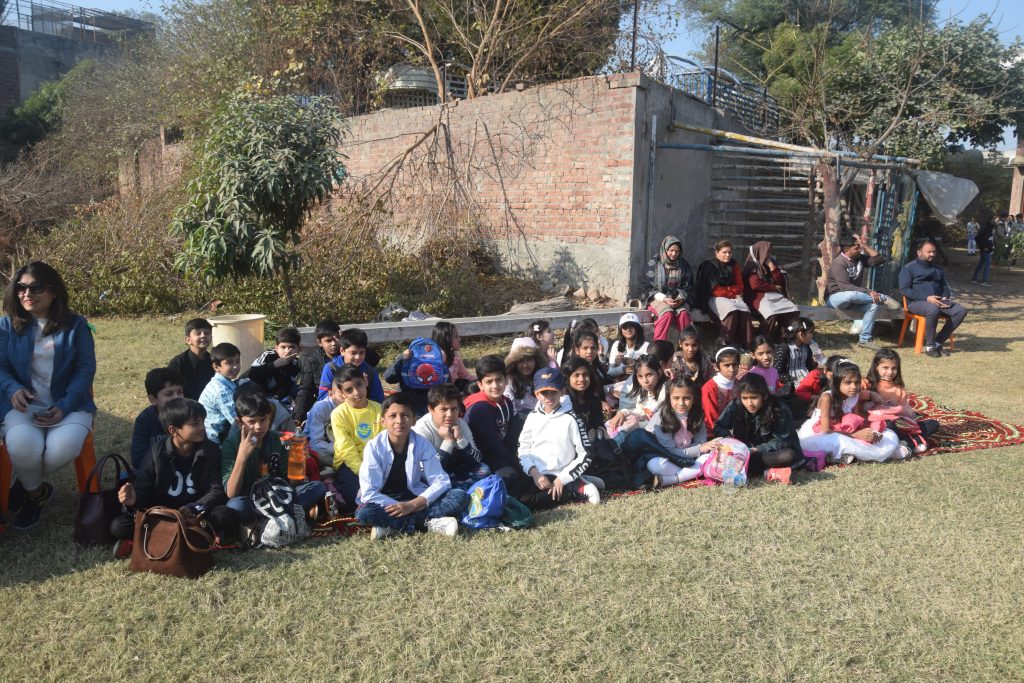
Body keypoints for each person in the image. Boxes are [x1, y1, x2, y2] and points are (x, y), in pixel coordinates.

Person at [0, 262, 96, 531]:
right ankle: (38, 493)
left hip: (70, 405)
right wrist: (12, 389)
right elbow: (0, 367)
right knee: (21, 447)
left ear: (53, 291)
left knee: (61, 449)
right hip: (23, 407)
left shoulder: (76, 325)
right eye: (21, 288)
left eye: (36, 288)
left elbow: (85, 370)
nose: (27, 294)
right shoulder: (7, 325)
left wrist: (65, 406)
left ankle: (26, 485)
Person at [112, 398, 234, 555]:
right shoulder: (156, 451)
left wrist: (194, 507)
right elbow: (143, 489)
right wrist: (133, 501)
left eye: (203, 422)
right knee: (119, 526)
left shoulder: (211, 450)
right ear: (173, 430)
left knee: (224, 515)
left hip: (194, 515)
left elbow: (216, 489)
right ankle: (195, 537)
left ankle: (149, 539)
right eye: (195, 424)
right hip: (161, 515)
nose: (202, 427)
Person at [356, 392, 470, 540]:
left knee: (460, 496)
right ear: (383, 421)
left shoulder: (422, 444)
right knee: (364, 513)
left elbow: (441, 480)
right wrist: (400, 506)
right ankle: (426, 524)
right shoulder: (373, 447)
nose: (399, 421)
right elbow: (369, 493)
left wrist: (412, 505)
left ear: (414, 420)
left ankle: (390, 526)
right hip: (385, 501)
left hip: (415, 497)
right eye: (393, 416)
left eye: (405, 415)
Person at [221, 388, 326, 526]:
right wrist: (242, 457)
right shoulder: (231, 444)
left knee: (317, 487)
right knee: (236, 505)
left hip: (279, 496)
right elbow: (231, 493)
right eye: (251, 422)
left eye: (263, 420)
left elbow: (293, 485)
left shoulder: (278, 439)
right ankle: (290, 516)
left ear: (269, 418)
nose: (258, 427)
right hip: (252, 500)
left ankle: (268, 521)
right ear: (239, 422)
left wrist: (297, 460)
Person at [506, 367, 600, 510]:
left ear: (562, 391)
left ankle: (573, 487)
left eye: (553, 392)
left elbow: (586, 454)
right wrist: (535, 473)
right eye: (544, 393)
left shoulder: (572, 419)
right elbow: (522, 450)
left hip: (559, 475)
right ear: (537, 394)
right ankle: (574, 482)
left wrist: (562, 479)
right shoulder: (532, 417)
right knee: (511, 499)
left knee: (528, 504)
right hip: (536, 474)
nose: (549, 397)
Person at [797, 361, 905, 464]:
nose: (853, 387)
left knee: (888, 435)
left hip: (845, 430)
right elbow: (825, 430)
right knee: (838, 441)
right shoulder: (827, 398)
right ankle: (841, 455)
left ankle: (848, 455)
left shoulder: (854, 395)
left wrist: (869, 434)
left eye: (856, 382)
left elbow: (857, 420)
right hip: (821, 434)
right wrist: (855, 435)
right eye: (848, 382)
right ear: (837, 383)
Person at [713, 374, 804, 481]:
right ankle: (766, 472)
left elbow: (783, 442)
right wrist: (730, 441)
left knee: (788, 456)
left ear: (764, 396)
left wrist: (756, 449)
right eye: (744, 398)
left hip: (769, 453)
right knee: (720, 454)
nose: (749, 403)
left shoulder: (779, 410)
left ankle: (748, 468)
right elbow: (719, 426)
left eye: (754, 398)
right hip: (743, 452)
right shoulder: (735, 405)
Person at [824, 234, 899, 351]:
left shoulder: (859, 259)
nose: (860, 250)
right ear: (847, 249)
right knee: (850, 294)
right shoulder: (839, 263)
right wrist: (869, 292)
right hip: (834, 299)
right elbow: (845, 287)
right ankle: (883, 298)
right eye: (856, 248)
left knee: (873, 305)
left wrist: (864, 245)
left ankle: (865, 340)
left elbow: (880, 259)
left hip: (853, 300)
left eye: (860, 247)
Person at [899, 239, 968, 358]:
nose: (932, 254)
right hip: (916, 303)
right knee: (932, 308)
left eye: (934, 252)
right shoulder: (909, 268)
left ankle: (937, 342)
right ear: (919, 252)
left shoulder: (938, 269)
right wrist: (927, 298)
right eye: (929, 252)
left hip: (938, 302)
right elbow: (904, 290)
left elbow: (945, 287)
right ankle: (930, 346)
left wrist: (945, 298)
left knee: (960, 311)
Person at [414, 383, 488, 489]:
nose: (450, 415)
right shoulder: (421, 429)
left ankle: (458, 488)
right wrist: (448, 441)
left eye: (454, 409)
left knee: (484, 469)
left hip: (455, 470)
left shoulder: (461, 424)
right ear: (431, 409)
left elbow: (477, 460)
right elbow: (426, 471)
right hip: (432, 476)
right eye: (444, 409)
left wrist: (460, 440)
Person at [864, 348, 939, 453]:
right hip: (878, 426)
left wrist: (899, 409)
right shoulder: (868, 385)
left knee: (933, 424)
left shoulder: (900, 390)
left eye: (894, 368)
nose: (890, 372)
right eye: (885, 368)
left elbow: (910, 415)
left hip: (900, 425)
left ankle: (905, 443)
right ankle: (911, 443)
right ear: (876, 367)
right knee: (888, 424)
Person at [644, 376, 712, 487]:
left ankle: (671, 479)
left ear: (694, 398)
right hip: (665, 457)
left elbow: (700, 442)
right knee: (655, 465)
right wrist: (699, 449)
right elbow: (670, 451)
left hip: (688, 458)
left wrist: (700, 449)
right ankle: (689, 473)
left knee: (708, 458)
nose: (681, 403)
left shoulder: (698, 415)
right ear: (669, 398)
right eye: (676, 398)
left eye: (687, 398)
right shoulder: (661, 418)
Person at [330, 363, 383, 508]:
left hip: (375, 462)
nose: (356, 392)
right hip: (349, 463)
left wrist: (378, 468)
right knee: (353, 496)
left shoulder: (379, 409)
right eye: (349, 390)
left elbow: (384, 442)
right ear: (342, 393)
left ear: (365, 381)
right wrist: (362, 472)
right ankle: (332, 488)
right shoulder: (338, 414)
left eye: (359, 385)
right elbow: (346, 448)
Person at [464, 355, 518, 479]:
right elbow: (492, 445)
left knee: (523, 416)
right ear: (480, 385)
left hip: (499, 445)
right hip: (482, 455)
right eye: (489, 382)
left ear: (506, 380)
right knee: (511, 476)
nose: (495, 386)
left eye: (499, 380)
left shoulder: (506, 402)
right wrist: (515, 461)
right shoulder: (479, 409)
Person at [695, 240, 754, 350]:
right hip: (713, 298)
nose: (727, 255)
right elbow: (714, 290)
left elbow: (740, 286)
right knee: (730, 311)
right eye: (724, 252)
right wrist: (732, 292)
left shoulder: (734, 264)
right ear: (717, 253)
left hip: (731, 297)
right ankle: (724, 344)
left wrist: (729, 291)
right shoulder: (709, 266)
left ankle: (746, 346)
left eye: (730, 252)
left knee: (745, 310)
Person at [742, 241, 800, 344]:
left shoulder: (770, 263)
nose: (769, 255)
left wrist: (772, 267)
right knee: (771, 314)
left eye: (769, 252)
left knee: (792, 311)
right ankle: (763, 340)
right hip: (756, 298)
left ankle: (783, 337)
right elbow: (755, 285)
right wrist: (773, 286)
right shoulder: (751, 265)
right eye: (767, 252)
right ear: (760, 252)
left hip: (773, 295)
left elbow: (780, 282)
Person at [641, 235, 694, 341]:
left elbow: (688, 286)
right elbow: (647, 287)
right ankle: (659, 345)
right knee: (667, 313)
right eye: (671, 250)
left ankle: (687, 344)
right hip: (657, 298)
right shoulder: (654, 264)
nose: (674, 254)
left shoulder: (684, 265)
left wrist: (680, 298)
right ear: (665, 249)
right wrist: (664, 299)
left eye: (677, 251)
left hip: (676, 300)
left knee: (683, 314)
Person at [130, 367, 185, 469]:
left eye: (180, 392)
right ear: (153, 399)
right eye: (169, 394)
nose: (176, 397)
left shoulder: (189, 415)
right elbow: (138, 459)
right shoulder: (145, 420)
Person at [319, 328, 385, 404]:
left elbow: (378, 400)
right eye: (353, 353)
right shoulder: (331, 368)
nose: (357, 357)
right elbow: (322, 398)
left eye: (361, 352)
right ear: (342, 351)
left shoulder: (370, 371)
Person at [293, 319, 339, 425]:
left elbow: (373, 358)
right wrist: (298, 416)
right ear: (319, 342)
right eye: (328, 340)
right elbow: (306, 388)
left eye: (337, 338)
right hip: (324, 401)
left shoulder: (348, 354)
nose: (334, 343)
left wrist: (348, 341)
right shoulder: (312, 359)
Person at [606, 355, 665, 437]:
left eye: (649, 375)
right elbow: (642, 413)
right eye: (640, 376)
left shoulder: (665, 392)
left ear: (659, 373)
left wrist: (637, 425)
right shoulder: (644, 390)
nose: (645, 381)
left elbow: (661, 423)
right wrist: (623, 413)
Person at [198, 342, 244, 443]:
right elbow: (236, 421)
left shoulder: (223, 382)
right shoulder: (221, 391)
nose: (236, 366)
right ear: (216, 367)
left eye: (237, 361)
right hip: (216, 439)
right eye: (229, 363)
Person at [167, 318, 214, 401]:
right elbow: (170, 390)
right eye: (198, 333)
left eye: (207, 333)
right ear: (188, 340)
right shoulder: (178, 363)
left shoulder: (214, 360)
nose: (203, 335)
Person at [562, 357, 606, 435]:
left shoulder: (594, 400)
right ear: (568, 378)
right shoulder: (564, 403)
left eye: (585, 375)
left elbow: (599, 425)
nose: (582, 379)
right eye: (576, 375)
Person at [700, 347, 739, 433]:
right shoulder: (709, 388)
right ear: (717, 367)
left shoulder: (740, 384)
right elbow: (711, 420)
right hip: (714, 434)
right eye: (727, 365)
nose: (732, 369)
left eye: (734, 364)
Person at [772, 318, 818, 387]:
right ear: (801, 334)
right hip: (790, 383)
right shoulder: (784, 348)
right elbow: (777, 372)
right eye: (811, 332)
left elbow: (809, 366)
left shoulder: (807, 348)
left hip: (807, 379)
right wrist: (792, 380)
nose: (812, 336)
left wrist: (816, 364)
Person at [504, 344, 546, 416]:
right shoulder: (509, 381)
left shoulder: (543, 377)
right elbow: (511, 409)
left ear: (536, 360)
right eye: (521, 361)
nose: (525, 365)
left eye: (529, 360)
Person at [607, 312, 649, 378]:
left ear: (637, 328)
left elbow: (648, 371)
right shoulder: (616, 345)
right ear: (621, 330)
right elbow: (610, 372)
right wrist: (622, 369)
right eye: (625, 327)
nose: (628, 329)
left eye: (631, 326)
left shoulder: (646, 346)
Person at [970, 219, 995, 286]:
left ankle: (974, 278)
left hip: (983, 250)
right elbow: (987, 241)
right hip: (987, 250)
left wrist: (981, 247)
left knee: (980, 265)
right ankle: (985, 281)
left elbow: (977, 238)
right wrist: (986, 247)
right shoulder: (989, 232)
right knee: (987, 266)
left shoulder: (984, 230)